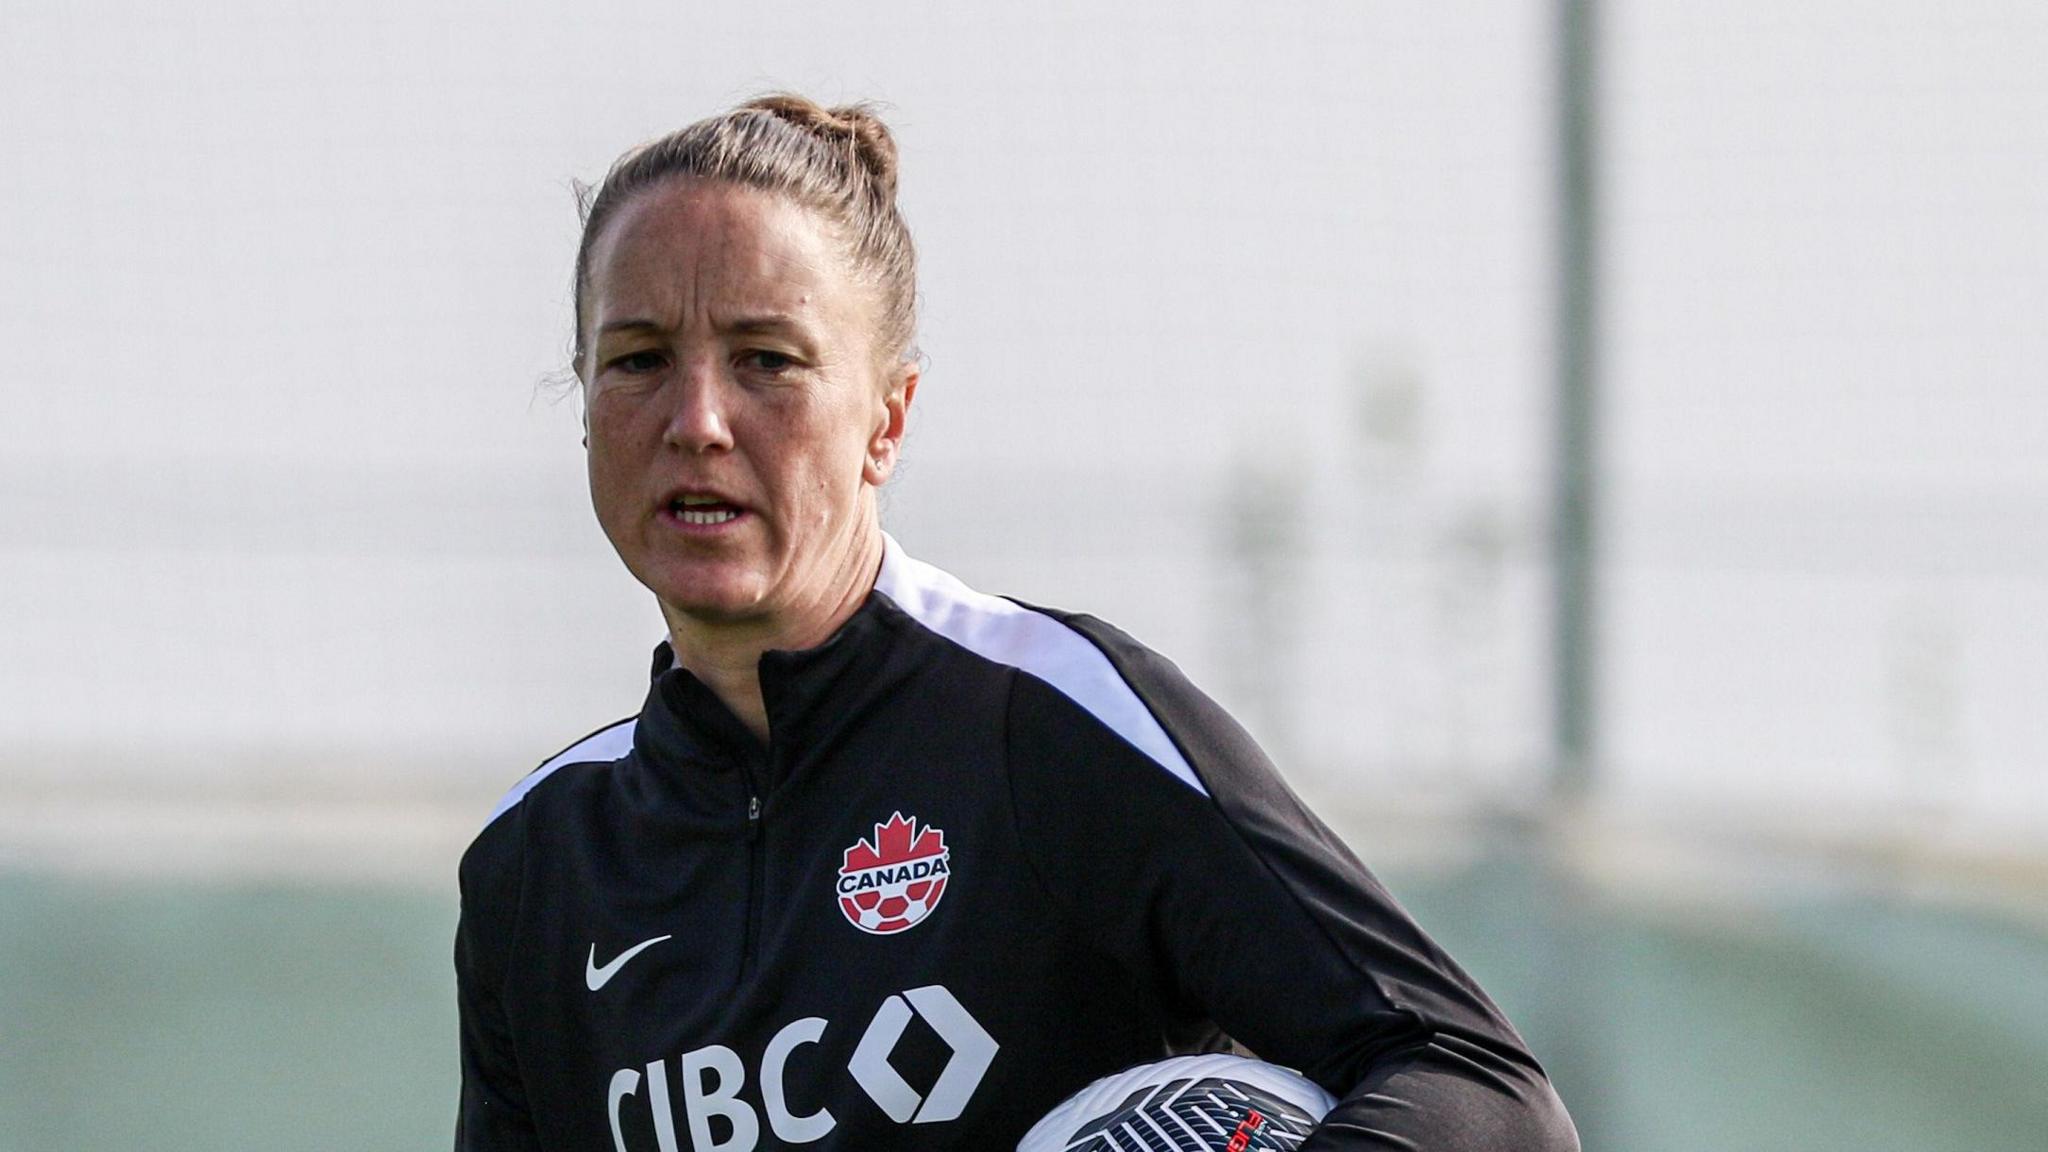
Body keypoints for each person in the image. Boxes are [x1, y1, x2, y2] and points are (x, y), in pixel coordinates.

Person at [454, 94, 1578, 1152]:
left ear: (885, 420)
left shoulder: (1047, 722)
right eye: (639, 360)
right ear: (585, 404)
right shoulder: (536, 866)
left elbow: (1481, 1095)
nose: (696, 420)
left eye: (767, 362)